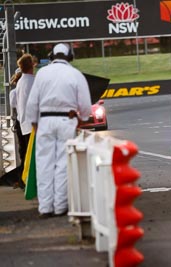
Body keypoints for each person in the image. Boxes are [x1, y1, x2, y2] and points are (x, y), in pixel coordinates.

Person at [26, 43, 92, 218]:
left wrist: (34, 122)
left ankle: (45, 208)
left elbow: (32, 102)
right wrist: (82, 118)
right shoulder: (75, 74)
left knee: (44, 165)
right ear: (70, 56)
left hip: (45, 120)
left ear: (51, 56)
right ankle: (60, 206)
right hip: (66, 120)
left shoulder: (42, 74)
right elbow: (85, 105)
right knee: (63, 164)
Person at [13, 54, 36, 189]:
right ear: (31, 65)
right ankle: (30, 183)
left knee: (27, 156)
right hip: (33, 124)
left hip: (24, 123)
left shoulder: (21, 82)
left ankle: (25, 181)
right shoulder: (32, 81)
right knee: (34, 157)